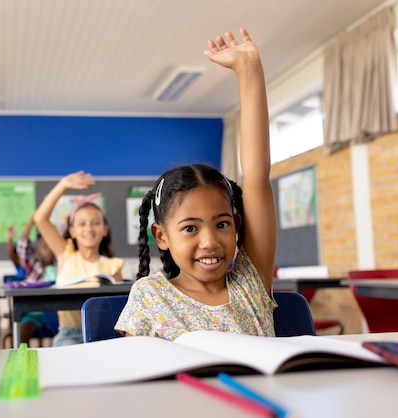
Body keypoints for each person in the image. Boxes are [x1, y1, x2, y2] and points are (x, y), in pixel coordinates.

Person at [115, 28, 277, 341]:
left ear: (237, 224)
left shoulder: (249, 278)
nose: (210, 241)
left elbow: (256, 175)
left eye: (221, 224)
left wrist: (249, 69)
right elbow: (137, 373)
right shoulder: (150, 296)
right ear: (161, 236)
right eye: (190, 228)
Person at [34, 171, 125, 346]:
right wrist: (63, 185)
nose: (89, 229)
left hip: (105, 334)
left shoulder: (113, 266)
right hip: (70, 335)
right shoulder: (65, 254)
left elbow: (118, 310)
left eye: (96, 223)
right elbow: (40, 218)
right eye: (81, 224)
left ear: (105, 229)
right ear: (73, 231)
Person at [7, 213, 57, 345]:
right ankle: (22, 362)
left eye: (52, 245)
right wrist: (32, 220)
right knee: (23, 333)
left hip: (59, 314)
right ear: (37, 250)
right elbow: (22, 244)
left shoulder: (63, 266)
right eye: (44, 247)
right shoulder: (34, 266)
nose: (49, 250)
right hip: (35, 315)